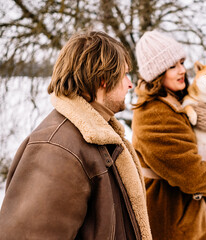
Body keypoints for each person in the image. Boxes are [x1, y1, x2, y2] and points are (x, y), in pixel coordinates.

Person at [0, 31, 151, 240]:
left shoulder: (96, 136)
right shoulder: (56, 149)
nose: (130, 84)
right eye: (124, 75)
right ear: (103, 79)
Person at [132, 30, 206, 240]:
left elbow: (202, 144)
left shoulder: (178, 100)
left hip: (185, 211)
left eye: (181, 62)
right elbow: (188, 170)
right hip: (169, 215)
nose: (182, 70)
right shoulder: (154, 112)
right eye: (172, 66)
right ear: (157, 73)